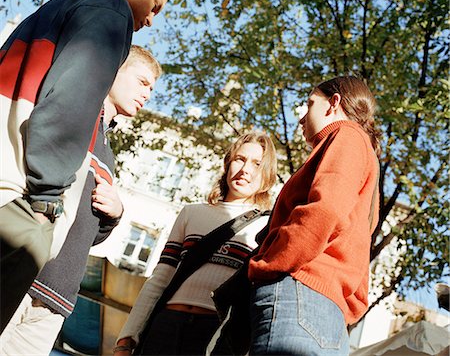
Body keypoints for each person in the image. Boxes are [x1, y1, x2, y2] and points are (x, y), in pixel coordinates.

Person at [0, 0, 169, 332]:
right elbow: (69, 103)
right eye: (154, 6)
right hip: (19, 199)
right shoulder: (111, 12)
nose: (150, 21)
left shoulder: (59, 7)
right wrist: (47, 199)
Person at [0, 45, 162, 355]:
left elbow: (90, 234)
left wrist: (115, 214)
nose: (148, 95)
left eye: (152, 89)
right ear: (116, 70)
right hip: (23, 273)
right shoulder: (74, 113)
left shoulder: (108, 154)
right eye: (142, 82)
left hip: (56, 298)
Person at [248, 76, 381, 356]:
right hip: (326, 309)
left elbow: (325, 209)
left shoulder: (347, 134)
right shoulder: (364, 153)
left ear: (333, 103)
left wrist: (269, 263)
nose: (301, 118)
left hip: (300, 293)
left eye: (310, 104)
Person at [114, 132, 278, 356]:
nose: (245, 169)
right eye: (240, 159)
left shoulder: (268, 227)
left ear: (267, 175)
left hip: (215, 336)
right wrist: (126, 338)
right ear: (228, 163)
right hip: (165, 326)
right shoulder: (191, 213)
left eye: (257, 164)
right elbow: (160, 277)